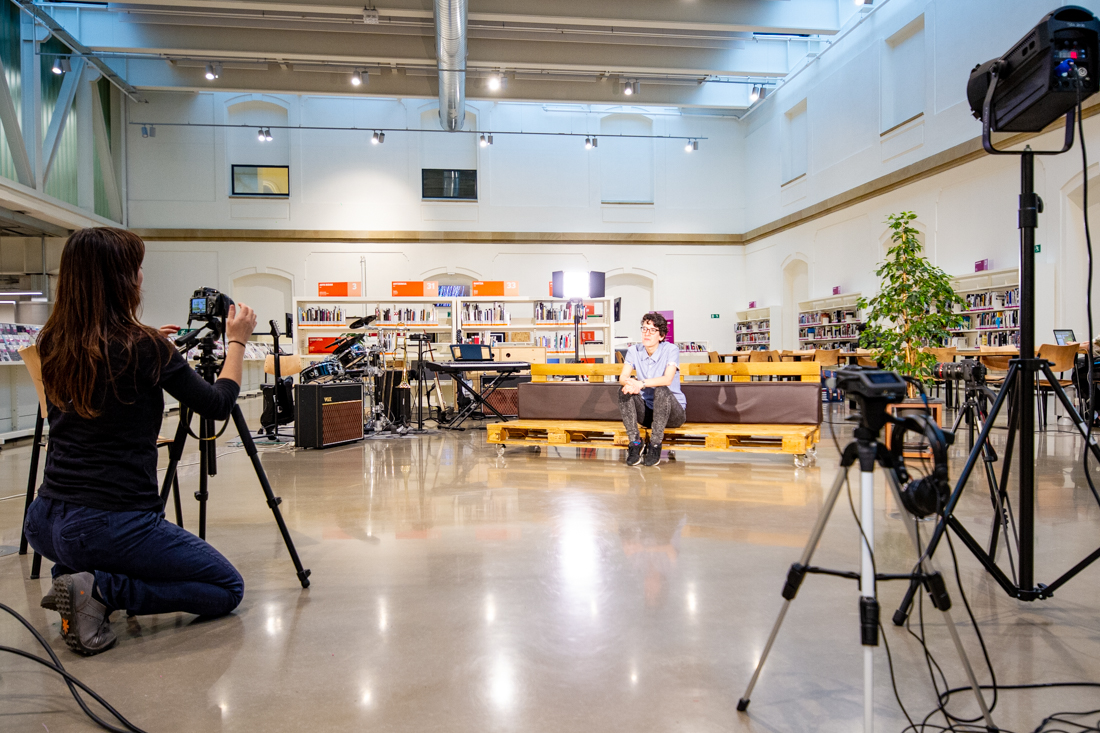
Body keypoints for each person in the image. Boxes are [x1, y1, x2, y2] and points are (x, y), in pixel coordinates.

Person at [22, 227, 257, 656]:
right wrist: (237, 340)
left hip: (44, 520)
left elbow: (105, 366)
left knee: (88, 547)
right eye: (136, 268)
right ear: (121, 279)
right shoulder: (144, 347)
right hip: (107, 524)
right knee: (226, 587)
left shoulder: (53, 341)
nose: (142, 276)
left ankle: (72, 580)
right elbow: (218, 404)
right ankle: (102, 590)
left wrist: (157, 347)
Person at [618, 312, 687, 467]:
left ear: (661, 336)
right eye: (644, 329)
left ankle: (655, 444)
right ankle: (635, 442)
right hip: (648, 413)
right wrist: (629, 384)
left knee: (661, 390)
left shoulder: (671, 350)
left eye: (652, 330)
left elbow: (667, 379)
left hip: (672, 413)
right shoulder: (634, 350)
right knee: (623, 391)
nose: (646, 333)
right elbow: (622, 377)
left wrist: (640, 383)